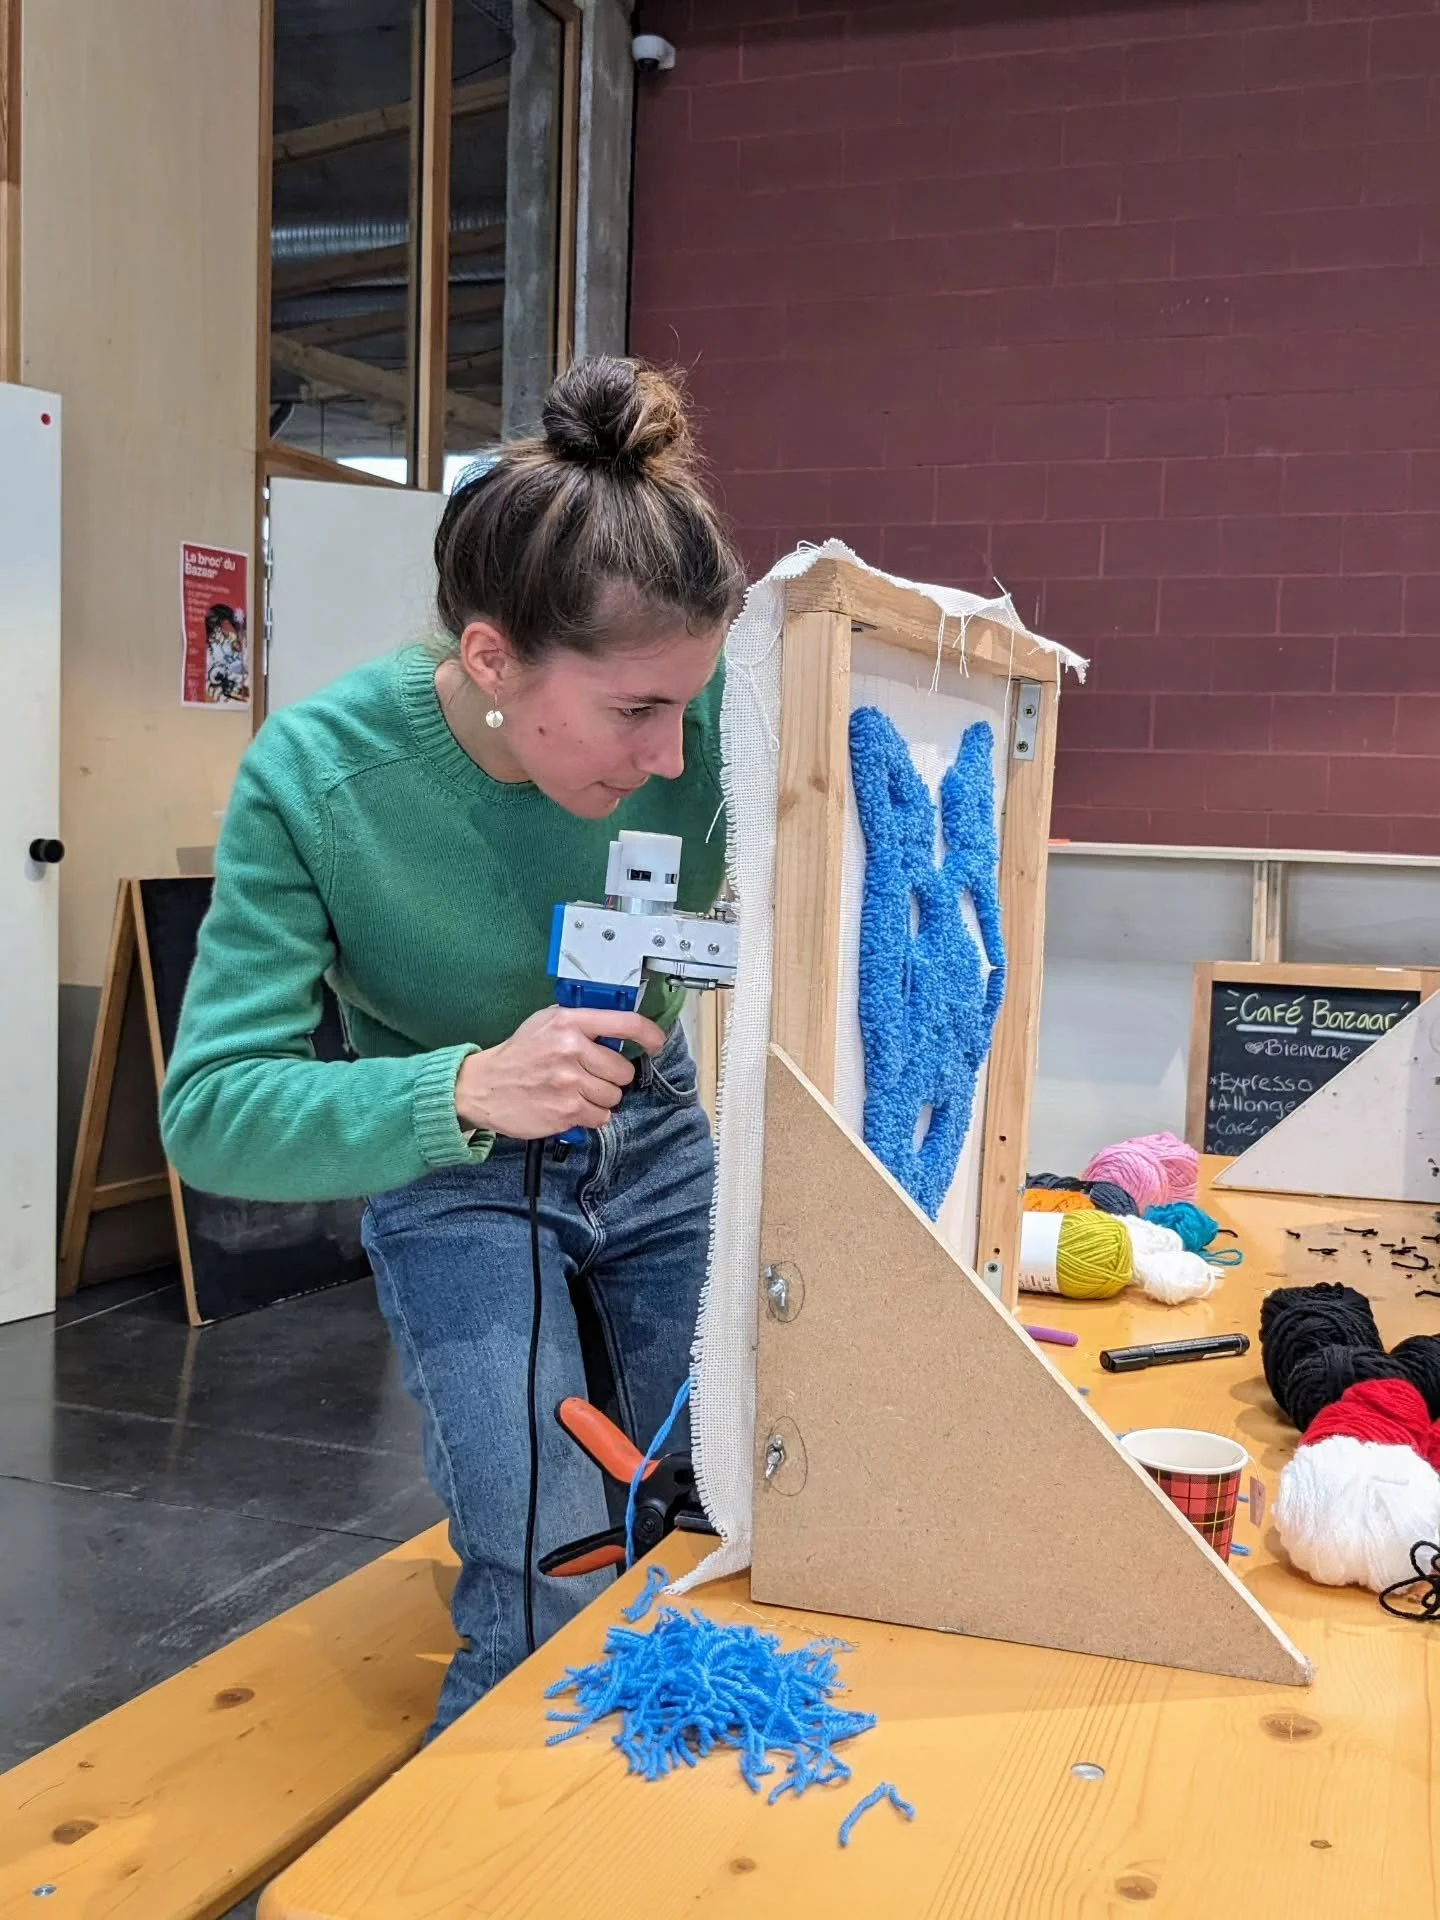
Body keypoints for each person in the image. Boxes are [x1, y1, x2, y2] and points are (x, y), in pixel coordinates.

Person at [161, 357, 745, 1733]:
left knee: (726, 1504)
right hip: (458, 1159)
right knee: (546, 1568)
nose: (674, 757)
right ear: (490, 657)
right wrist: (471, 1085)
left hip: (653, 1130)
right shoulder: (317, 776)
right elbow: (211, 1109)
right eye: (633, 713)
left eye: (690, 704)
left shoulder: (707, 719)